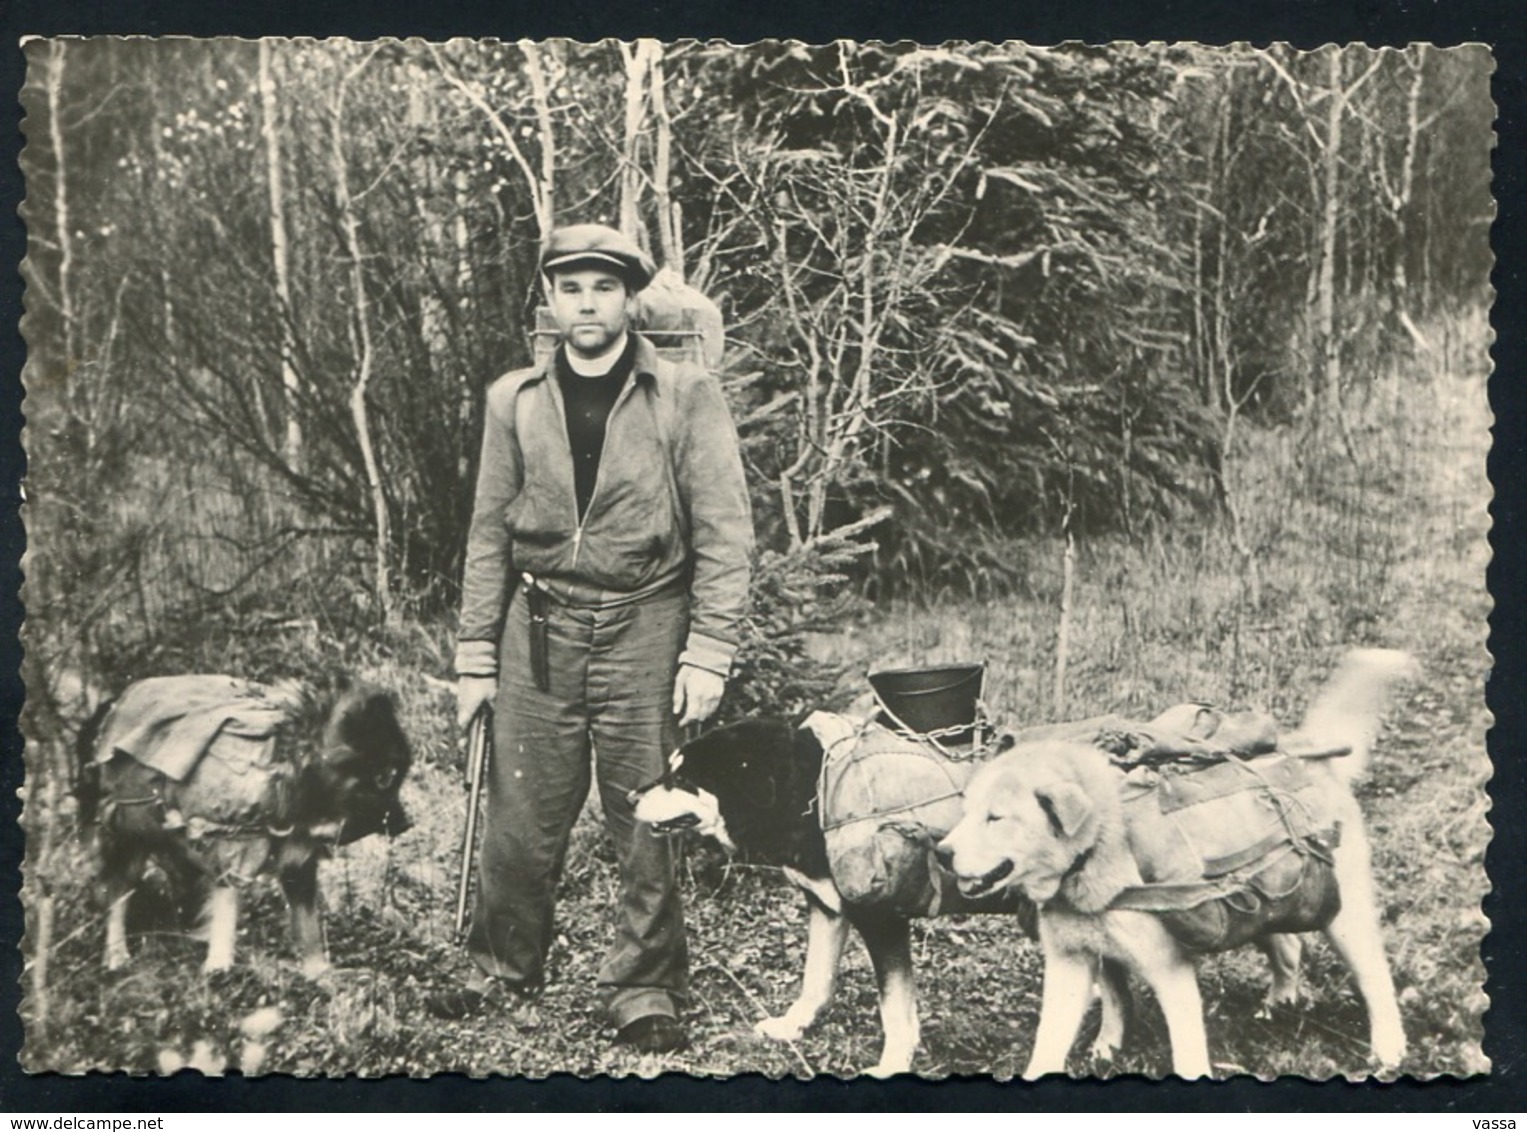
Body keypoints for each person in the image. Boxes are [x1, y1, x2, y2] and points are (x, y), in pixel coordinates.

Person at [428, 223, 753, 1056]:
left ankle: (644, 987)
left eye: (602, 287)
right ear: (548, 300)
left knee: (646, 815)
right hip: (535, 629)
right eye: (569, 287)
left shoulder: (682, 395)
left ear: (628, 300)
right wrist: (473, 659)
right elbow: (487, 534)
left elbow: (725, 532)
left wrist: (708, 650)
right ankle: (503, 963)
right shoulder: (514, 400)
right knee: (519, 813)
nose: (586, 303)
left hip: (646, 622)